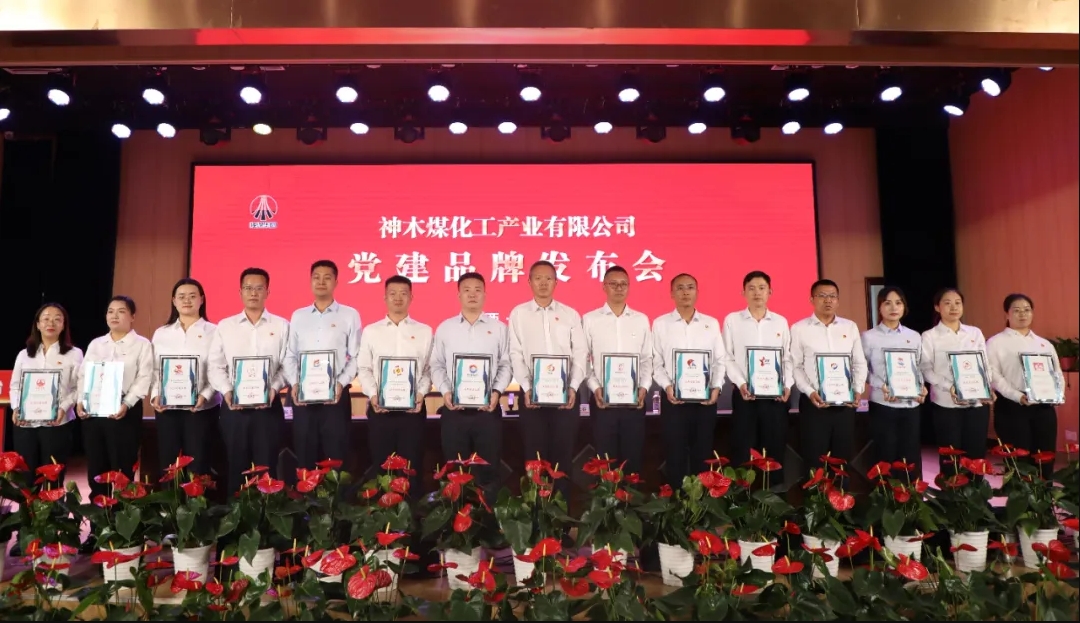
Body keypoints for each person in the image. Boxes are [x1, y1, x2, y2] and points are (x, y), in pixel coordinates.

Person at [508, 260, 588, 504]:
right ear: (529, 282)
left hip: (566, 398)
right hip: (532, 399)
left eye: (548, 278)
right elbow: (515, 354)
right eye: (538, 278)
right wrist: (527, 387)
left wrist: (573, 386)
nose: (543, 283)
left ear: (556, 282)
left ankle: (560, 516)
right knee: (534, 459)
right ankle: (536, 514)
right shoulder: (518, 314)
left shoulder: (570, 314)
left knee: (563, 459)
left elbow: (580, 353)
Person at [207, 267, 290, 494]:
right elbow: (215, 366)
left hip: (268, 408)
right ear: (240, 292)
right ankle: (238, 515)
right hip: (235, 409)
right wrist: (227, 391)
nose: (253, 293)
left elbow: (287, 365)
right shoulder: (226, 326)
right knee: (236, 468)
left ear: (268, 292)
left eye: (259, 288)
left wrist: (273, 388)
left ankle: (266, 515)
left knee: (267, 469)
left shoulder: (281, 325)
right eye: (248, 288)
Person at [430, 272, 512, 492]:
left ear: (485, 294)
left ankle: (488, 514)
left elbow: (506, 364)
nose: (472, 294)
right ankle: (456, 513)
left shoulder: (499, 328)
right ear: (458, 295)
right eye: (467, 290)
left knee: (489, 472)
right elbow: (436, 364)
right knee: (455, 473)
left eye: (477, 290)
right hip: (454, 412)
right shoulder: (445, 328)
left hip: (488, 411)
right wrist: (445, 391)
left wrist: (496, 391)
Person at [356, 275, 432, 495]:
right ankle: (384, 514)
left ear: (411, 297)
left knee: (412, 468)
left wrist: (420, 393)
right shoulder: (371, 331)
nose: (398, 298)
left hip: (413, 411)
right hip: (381, 411)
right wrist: (373, 394)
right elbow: (364, 369)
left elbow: (428, 370)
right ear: (385, 297)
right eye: (393, 293)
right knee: (382, 468)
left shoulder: (425, 331)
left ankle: (412, 514)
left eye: (403, 293)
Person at [283, 260, 362, 470]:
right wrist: (295, 383)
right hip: (303, 398)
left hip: (335, 397)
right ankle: (306, 493)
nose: (321, 282)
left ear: (336, 282)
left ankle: (335, 494)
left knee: (335, 457)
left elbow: (356, 356)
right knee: (305, 456)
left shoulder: (349, 315)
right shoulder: (298, 316)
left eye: (327, 277)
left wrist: (340, 383)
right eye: (316, 277)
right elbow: (290, 355)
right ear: (310, 281)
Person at [77, 295, 154, 494]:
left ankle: (122, 511)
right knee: (96, 466)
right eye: (110, 311)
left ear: (132, 316)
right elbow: (84, 374)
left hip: (124, 410)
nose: (114, 315)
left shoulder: (142, 344)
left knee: (123, 467)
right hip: (94, 411)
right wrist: (80, 400)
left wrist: (127, 403)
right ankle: (99, 511)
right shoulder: (96, 344)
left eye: (121, 311)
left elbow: (144, 377)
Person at [582, 266, 654, 476]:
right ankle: (607, 499)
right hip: (602, 402)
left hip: (634, 402)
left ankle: (630, 498)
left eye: (623, 284)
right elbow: (584, 360)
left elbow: (647, 359)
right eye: (613, 284)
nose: (619, 288)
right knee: (605, 462)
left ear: (629, 287)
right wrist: (596, 388)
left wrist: (644, 387)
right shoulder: (590, 319)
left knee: (633, 461)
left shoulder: (641, 319)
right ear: (604, 287)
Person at [655, 273, 725, 489]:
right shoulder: (660, 324)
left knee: (702, 455)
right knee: (674, 455)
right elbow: (656, 362)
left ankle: (700, 504)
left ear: (697, 292)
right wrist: (668, 386)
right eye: (680, 288)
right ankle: (677, 504)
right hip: (674, 401)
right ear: (671, 293)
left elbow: (720, 360)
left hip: (704, 401)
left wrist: (716, 386)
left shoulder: (711, 324)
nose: (685, 292)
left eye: (690, 287)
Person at [722, 271, 792, 485]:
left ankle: (775, 501)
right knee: (743, 453)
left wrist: (787, 384)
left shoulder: (780, 322)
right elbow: (726, 356)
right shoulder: (732, 320)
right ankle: (742, 502)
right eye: (751, 288)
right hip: (745, 397)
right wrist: (741, 383)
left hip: (775, 399)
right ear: (743, 292)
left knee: (775, 454)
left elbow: (787, 357)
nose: (757, 292)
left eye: (762, 288)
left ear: (770, 292)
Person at [790, 279, 867, 473]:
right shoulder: (799, 328)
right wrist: (809, 391)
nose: (828, 300)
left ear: (838, 300)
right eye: (822, 296)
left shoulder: (849, 327)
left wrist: (857, 389)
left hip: (845, 405)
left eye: (832, 296)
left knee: (842, 462)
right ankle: (815, 494)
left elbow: (859, 362)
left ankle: (841, 493)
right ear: (811, 299)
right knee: (814, 462)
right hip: (814, 405)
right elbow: (796, 366)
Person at [987, 293, 1064, 480]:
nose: (1022, 314)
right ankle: (1020, 500)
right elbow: (993, 376)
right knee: (1018, 462)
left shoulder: (1044, 344)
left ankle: (1044, 497)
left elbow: (1057, 372)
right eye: (1017, 310)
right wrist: (1017, 396)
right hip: (1012, 407)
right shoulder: (995, 343)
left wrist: (1058, 393)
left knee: (1045, 458)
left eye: (1027, 310)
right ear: (1006, 314)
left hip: (1043, 407)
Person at [150, 278, 221, 478]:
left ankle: (198, 500)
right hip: (167, 409)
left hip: (201, 410)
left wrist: (205, 395)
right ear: (174, 301)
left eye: (192, 296)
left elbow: (218, 369)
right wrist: (155, 395)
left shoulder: (215, 332)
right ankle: (171, 500)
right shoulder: (161, 333)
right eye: (181, 296)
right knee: (169, 466)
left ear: (202, 299)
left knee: (199, 466)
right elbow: (155, 370)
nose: (186, 300)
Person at [919, 287, 994, 472]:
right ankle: (951, 490)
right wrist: (949, 386)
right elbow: (926, 369)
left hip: (976, 403)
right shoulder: (929, 336)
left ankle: (976, 489)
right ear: (937, 307)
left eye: (957, 303)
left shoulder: (974, 333)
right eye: (947, 303)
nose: (953, 307)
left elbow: (985, 364)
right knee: (950, 457)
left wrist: (987, 387)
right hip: (946, 404)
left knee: (976, 455)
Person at [9, 303, 83, 483]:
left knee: (53, 479)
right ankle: (28, 503)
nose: (51, 323)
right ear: (38, 324)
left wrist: (63, 408)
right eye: (46, 319)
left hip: (58, 423)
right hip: (26, 424)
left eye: (57, 319)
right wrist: (17, 407)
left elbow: (78, 388)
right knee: (26, 478)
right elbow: (15, 386)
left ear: (63, 325)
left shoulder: (74, 354)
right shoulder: (24, 354)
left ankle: (54, 504)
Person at [861, 286, 927, 474]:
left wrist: (921, 387)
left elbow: (918, 367)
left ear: (904, 307)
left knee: (910, 457)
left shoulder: (914, 336)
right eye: (887, 303)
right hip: (883, 404)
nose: (893, 308)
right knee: (885, 456)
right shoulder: (868, 337)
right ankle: (885, 493)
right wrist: (880, 385)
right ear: (879, 307)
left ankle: (911, 493)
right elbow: (861, 370)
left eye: (898, 303)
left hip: (910, 405)